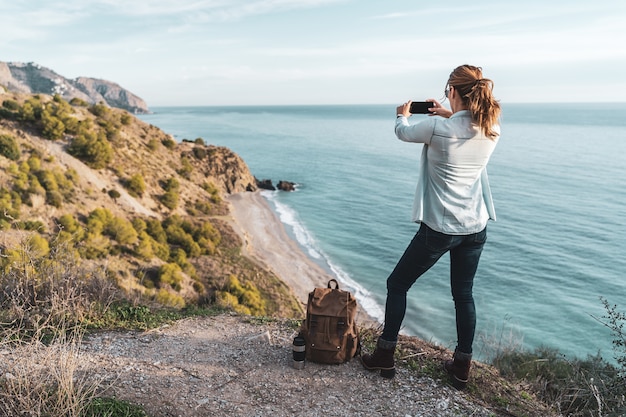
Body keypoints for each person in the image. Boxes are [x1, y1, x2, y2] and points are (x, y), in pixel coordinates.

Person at [361, 65, 501, 389]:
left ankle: (385, 354)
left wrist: (401, 114)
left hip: (440, 227)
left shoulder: (437, 127)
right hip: (475, 227)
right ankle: (462, 365)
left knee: (397, 284)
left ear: (453, 90)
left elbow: (403, 132)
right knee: (463, 294)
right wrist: (449, 112)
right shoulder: (491, 127)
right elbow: (465, 125)